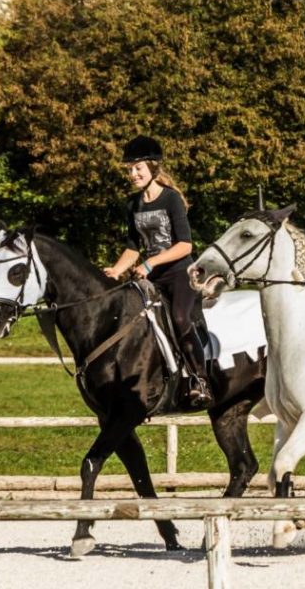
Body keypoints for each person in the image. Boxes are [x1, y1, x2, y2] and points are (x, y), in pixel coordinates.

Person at [103, 135, 211, 408]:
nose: (132, 174)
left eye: (138, 168)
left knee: (179, 318)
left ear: (153, 168)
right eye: (129, 169)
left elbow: (185, 245)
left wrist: (151, 263)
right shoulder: (132, 205)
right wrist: (116, 270)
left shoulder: (171, 199)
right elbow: (133, 248)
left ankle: (200, 380)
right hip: (150, 277)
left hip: (179, 273)